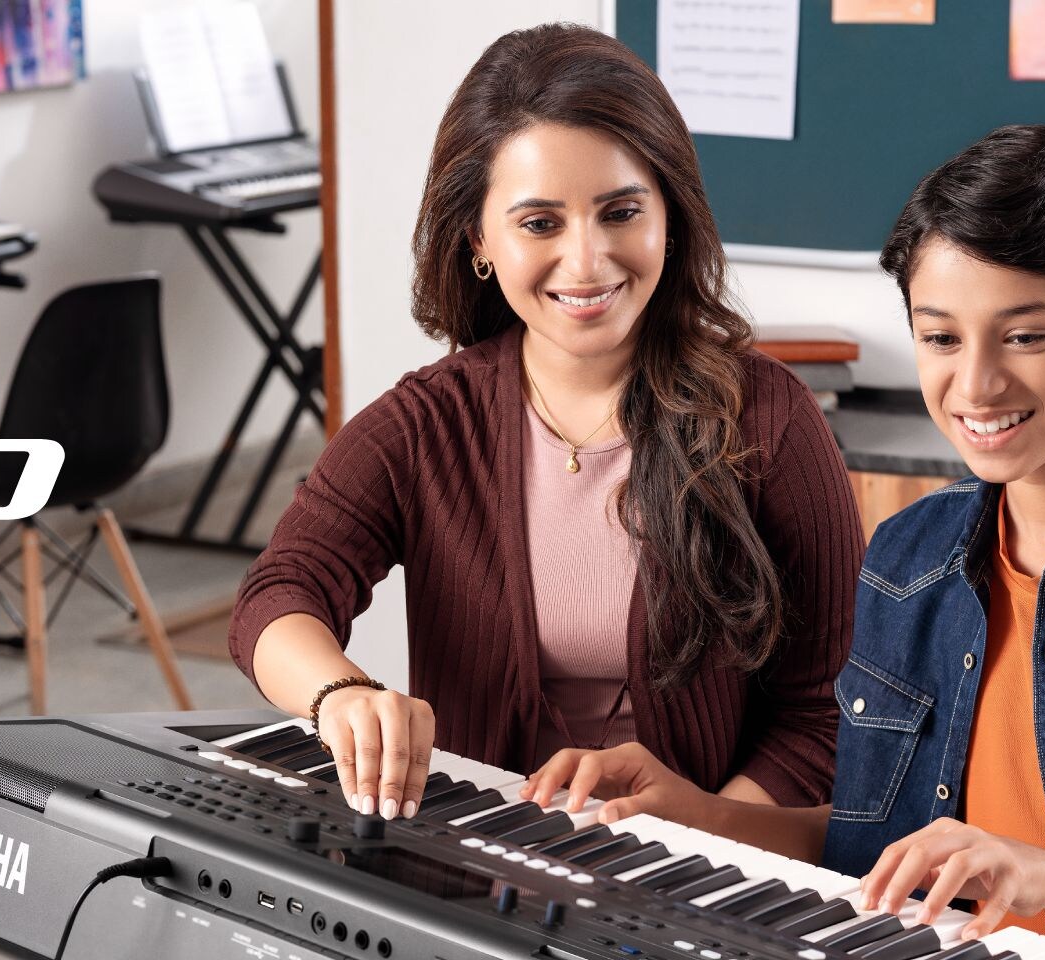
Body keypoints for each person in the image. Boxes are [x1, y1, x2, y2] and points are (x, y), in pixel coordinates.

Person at [529, 125, 1045, 958]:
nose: (974, 383)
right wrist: (706, 815)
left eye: (1026, 336)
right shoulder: (907, 558)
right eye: (940, 337)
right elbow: (873, 848)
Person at [225, 22, 862, 825]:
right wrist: (341, 694)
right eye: (540, 223)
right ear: (479, 240)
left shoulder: (770, 419)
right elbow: (278, 594)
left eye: (621, 211)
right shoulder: (427, 423)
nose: (588, 261)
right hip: (474, 873)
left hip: (706, 880)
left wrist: (699, 836)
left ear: (670, 212)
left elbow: (829, 711)